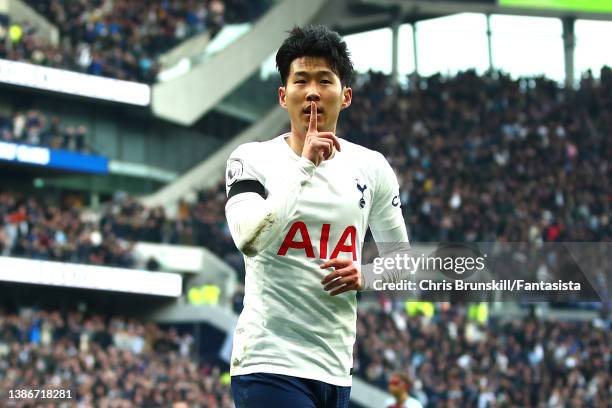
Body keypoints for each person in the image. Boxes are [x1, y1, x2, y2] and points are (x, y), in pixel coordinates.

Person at [224, 25, 409, 408]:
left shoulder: (371, 168)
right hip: (267, 362)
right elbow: (248, 237)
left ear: (345, 96)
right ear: (282, 95)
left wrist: (366, 275)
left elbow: (401, 262)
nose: (311, 91)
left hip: (335, 370)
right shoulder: (251, 159)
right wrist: (305, 165)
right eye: (301, 80)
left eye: (324, 80)